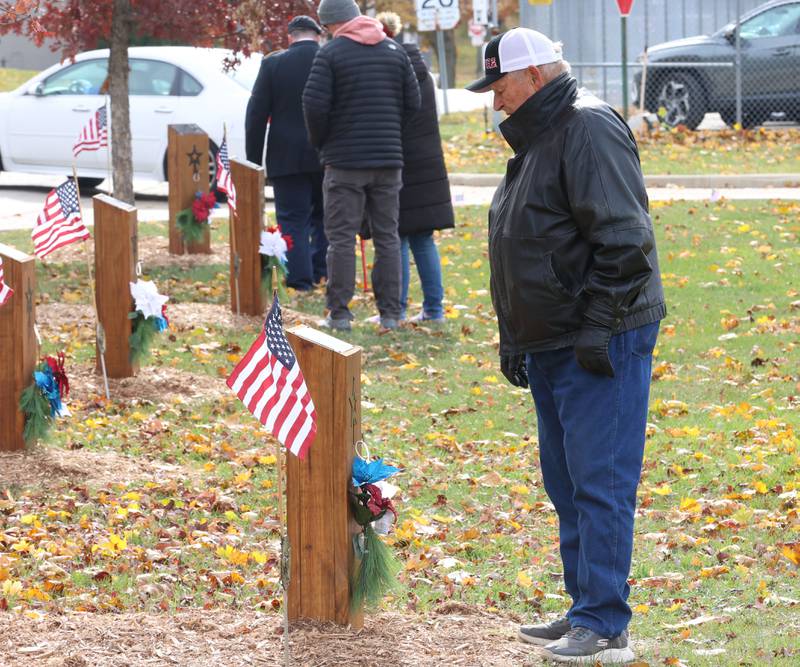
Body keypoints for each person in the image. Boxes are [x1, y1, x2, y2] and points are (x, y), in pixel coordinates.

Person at [467, 28, 666, 664]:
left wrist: (597, 329)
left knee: (600, 480)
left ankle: (606, 626)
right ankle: (587, 605)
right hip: (556, 340)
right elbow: (525, 243)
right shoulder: (537, 136)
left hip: (599, 338)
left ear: (534, 78)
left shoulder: (587, 128)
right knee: (567, 480)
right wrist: (515, 335)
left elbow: (626, 243)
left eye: (499, 86)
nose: (496, 101)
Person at [302, 0, 420, 332]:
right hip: (388, 160)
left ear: (330, 25)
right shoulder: (394, 51)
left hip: (344, 162)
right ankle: (391, 314)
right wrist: (391, 133)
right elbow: (414, 104)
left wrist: (322, 142)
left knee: (340, 238)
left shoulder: (330, 54)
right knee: (387, 237)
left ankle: (339, 314)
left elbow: (313, 104)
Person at [366, 11, 454, 324]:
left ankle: (398, 308)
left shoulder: (390, 70)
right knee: (423, 238)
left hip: (400, 162)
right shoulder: (421, 69)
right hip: (427, 163)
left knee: (398, 236)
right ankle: (434, 309)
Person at [245, 15, 327, 291]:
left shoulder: (273, 64)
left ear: (290, 37)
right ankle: (323, 272)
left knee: (293, 220)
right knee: (326, 218)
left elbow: (256, 116)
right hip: (327, 153)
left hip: (286, 156)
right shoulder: (329, 59)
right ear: (317, 35)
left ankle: (300, 280)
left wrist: (253, 162)